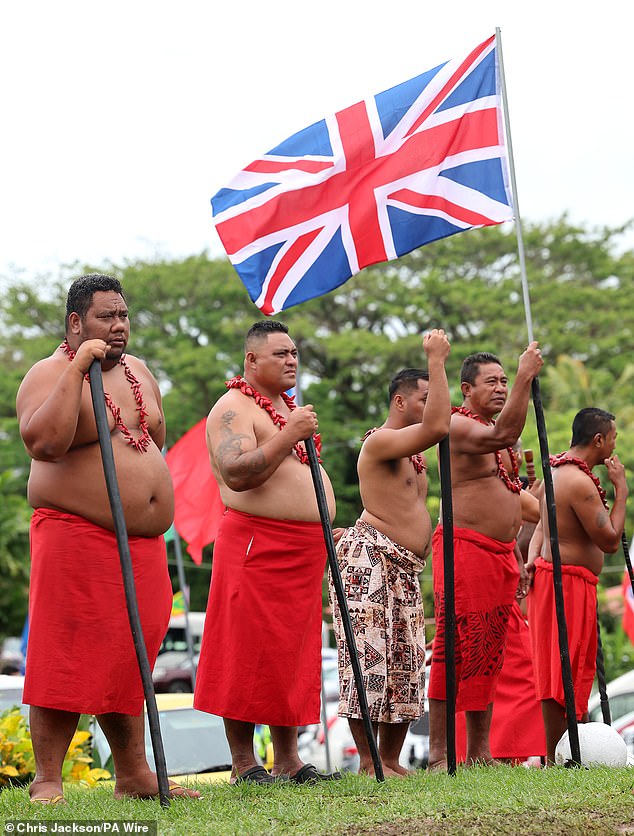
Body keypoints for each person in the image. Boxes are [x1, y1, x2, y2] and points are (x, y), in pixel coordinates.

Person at [15, 274, 199, 804]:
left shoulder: (140, 372)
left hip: (140, 544)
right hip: (76, 533)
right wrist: (77, 368)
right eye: (106, 318)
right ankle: (48, 776)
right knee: (65, 653)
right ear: (76, 323)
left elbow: (152, 441)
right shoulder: (47, 373)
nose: (119, 327)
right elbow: (44, 442)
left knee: (130, 655)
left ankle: (134, 774)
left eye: (123, 316)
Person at [194, 320, 340, 784]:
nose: (291, 360)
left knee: (291, 654)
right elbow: (237, 472)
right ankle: (243, 763)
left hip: (303, 550)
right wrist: (289, 433)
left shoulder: (285, 407)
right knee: (244, 650)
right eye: (279, 353)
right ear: (251, 361)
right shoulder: (231, 408)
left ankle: (289, 759)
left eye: (294, 352)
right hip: (257, 544)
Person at [329, 330, 451, 777]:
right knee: (368, 659)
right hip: (370, 561)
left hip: (404, 568)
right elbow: (439, 425)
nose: (433, 405)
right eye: (424, 398)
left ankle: (390, 760)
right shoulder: (380, 442)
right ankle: (367, 761)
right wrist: (435, 359)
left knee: (405, 661)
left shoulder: (413, 456)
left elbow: (439, 424)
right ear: (400, 402)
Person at [427, 344, 543, 768]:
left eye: (504, 381)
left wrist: (514, 551)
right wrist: (525, 377)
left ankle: (479, 752)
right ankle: (440, 753)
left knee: (488, 651)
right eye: (491, 382)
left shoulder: (491, 432)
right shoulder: (457, 424)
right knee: (456, 645)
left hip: (497, 553)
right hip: (464, 547)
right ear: (465, 389)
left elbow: (507, 496)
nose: (500, 387)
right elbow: (504, 435)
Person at [526, 407, 627, 763]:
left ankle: (566, 753)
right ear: (598, 439)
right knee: (563, 671)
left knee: (567, 668)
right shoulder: (580, 482)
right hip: (566, 584)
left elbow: (541, 525)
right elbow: (611, 540)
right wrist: (621, 491)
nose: (615, 446)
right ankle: (559, 756)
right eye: (613, 438)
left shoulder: (554, 471)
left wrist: (531, 560)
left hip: (559, 579)